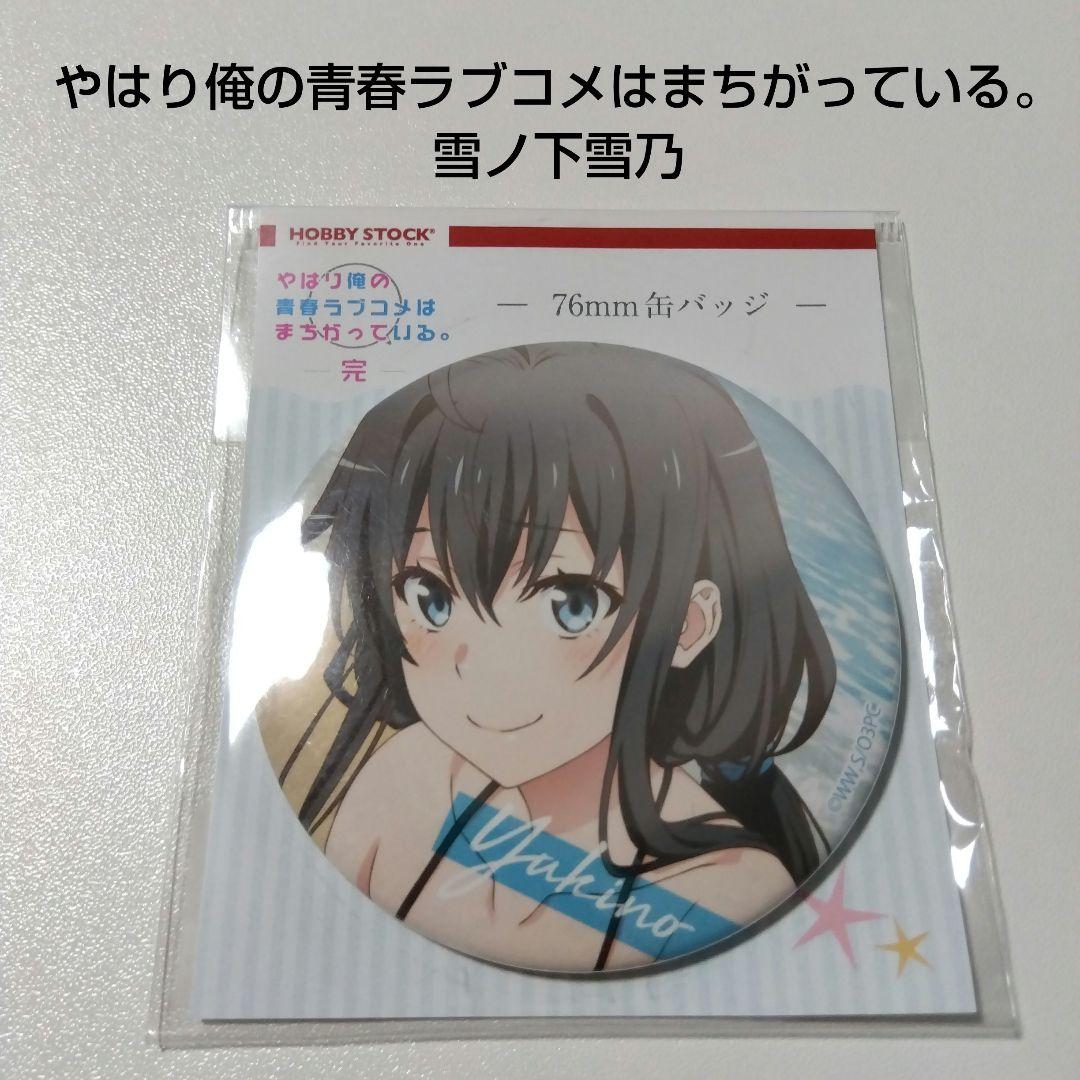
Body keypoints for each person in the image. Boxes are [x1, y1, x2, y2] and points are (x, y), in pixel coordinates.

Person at [268, 341, 836, 972]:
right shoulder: (412, 775)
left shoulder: (725, 891)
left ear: (685, 624)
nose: (478, 664)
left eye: (571, 604)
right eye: (431, 596)